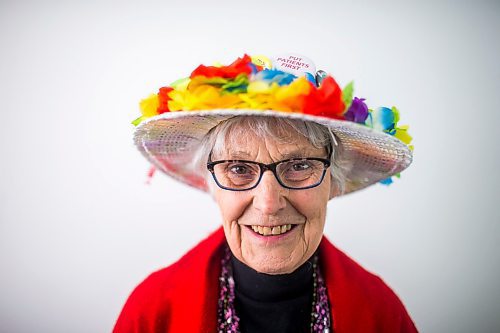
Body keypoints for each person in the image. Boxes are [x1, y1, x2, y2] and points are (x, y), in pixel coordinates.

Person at [113, 54, 417, 332]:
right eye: (238, 169)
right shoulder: (151, 313)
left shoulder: (382, 314)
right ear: (211, 184)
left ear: (333, 182)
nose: (269, 204)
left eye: (299, 166)